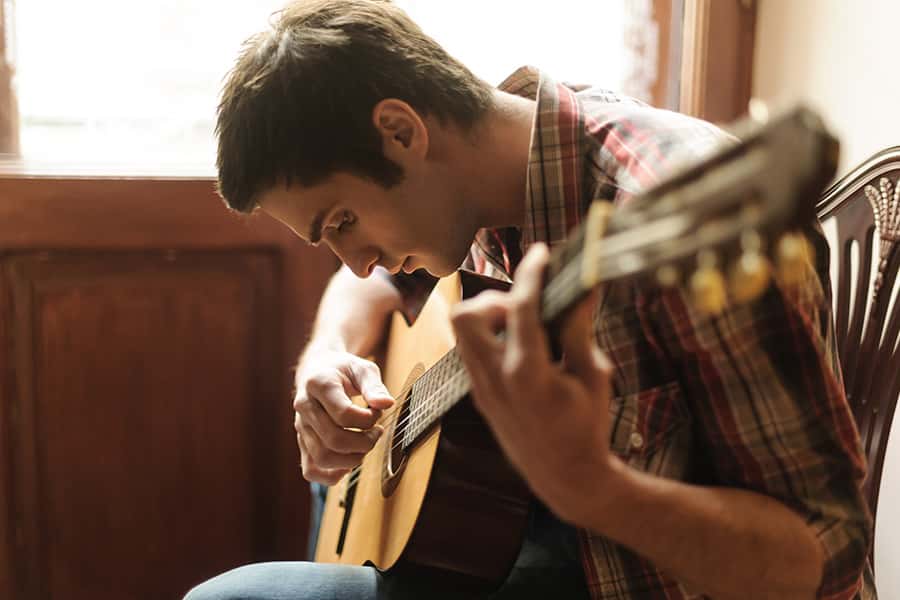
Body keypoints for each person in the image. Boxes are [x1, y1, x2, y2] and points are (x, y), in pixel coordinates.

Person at [186, 1, 875, 598]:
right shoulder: (482, 175)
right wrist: (324, 359)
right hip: (525, 531)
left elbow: (829, 565)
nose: (356, 261)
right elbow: (375, 284)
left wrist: (596, 489)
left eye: (341, 222)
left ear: (401, 133)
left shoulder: (666, 208)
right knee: (342, 478)